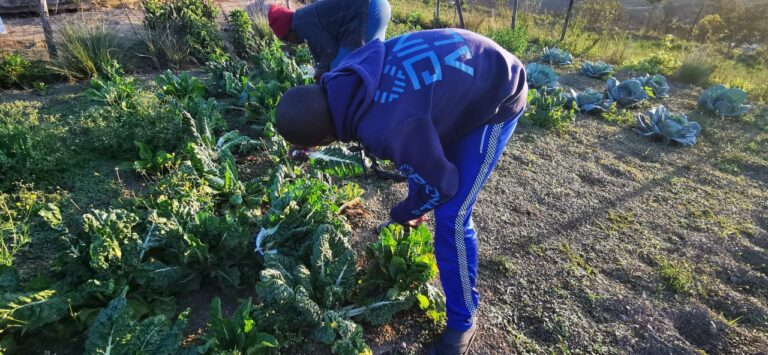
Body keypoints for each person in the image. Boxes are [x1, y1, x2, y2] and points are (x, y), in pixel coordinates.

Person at [274, 28, 527, 354]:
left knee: (452, 214)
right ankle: (413, 217)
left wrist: (401, 211)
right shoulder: (342, 78)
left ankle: (464, 322)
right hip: (458, 76)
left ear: (325, 138)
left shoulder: (386, 127)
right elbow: (411, 138)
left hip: (498, 92)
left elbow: (443, 184)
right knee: (417, 155)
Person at [268, 0, 391, 82]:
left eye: (286, 40)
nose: (291, 43)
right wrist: (319, 67)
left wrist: (321, 71)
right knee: (376, 64)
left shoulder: (300, 24)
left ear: (289, 31)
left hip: (368, 12)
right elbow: (318, 48)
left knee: (338, 71)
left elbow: (330, 50)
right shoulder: (302, 18)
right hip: (379, 6)